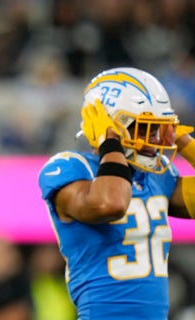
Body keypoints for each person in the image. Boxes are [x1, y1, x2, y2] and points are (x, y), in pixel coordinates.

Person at [38, 66, 195, 319]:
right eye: (145, 128)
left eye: (158, 129)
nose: (155, 140)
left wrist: (184, 141)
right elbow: (110, 203)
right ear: (110, 124)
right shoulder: (71, 168)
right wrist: (109, 141)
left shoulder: (156, 175)